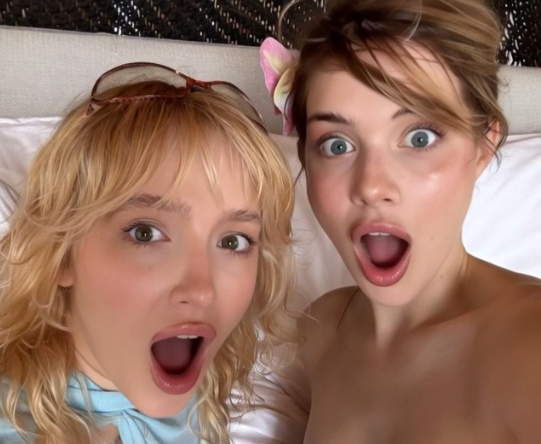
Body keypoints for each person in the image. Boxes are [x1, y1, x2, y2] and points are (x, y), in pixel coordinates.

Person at [249, 0, 541, 442]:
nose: (371, 185)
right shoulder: (320, 332)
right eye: (336, 145)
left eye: (419, 138)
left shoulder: (530, 346)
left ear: (483, 147)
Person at [0, 62, 296, 444]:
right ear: (61, 251)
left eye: (233, 241)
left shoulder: (203, 404)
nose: (202, 291)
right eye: (146, 233)